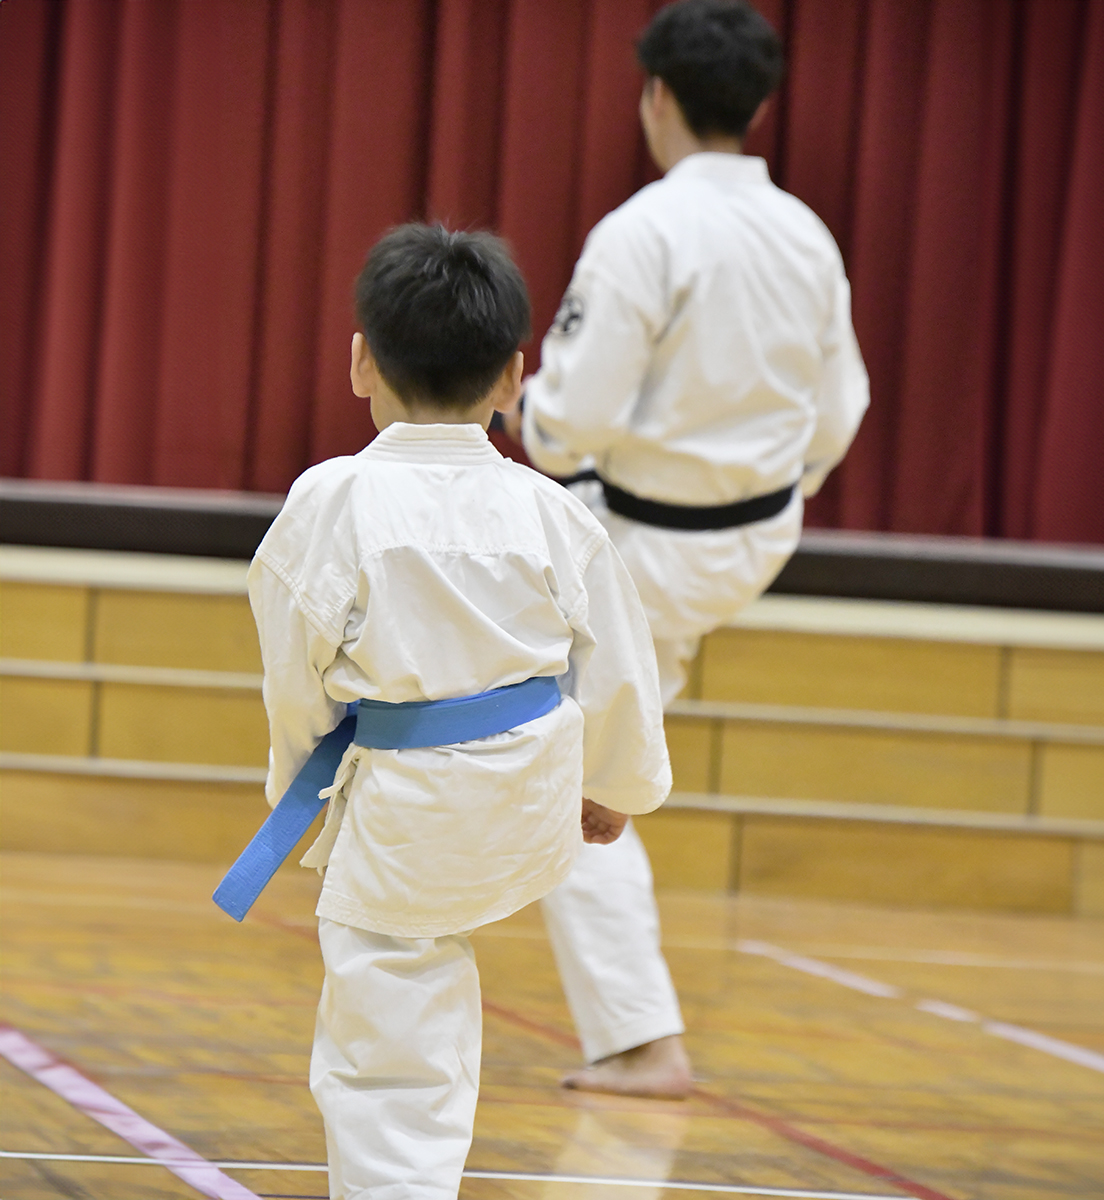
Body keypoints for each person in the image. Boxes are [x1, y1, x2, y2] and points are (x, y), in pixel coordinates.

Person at [247, 224, 672, 1199]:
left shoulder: (331, 500)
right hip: (527, 802)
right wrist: (613, 790)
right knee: (437, 954)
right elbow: (615, 667)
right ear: (515, 377)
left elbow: (294, 678)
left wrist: (301, 793)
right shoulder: (555, 513)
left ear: (360, 360)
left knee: (392, 1023)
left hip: (403, 810)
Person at [509, 0, 870, 1098]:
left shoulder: (642, 233)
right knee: (590, 737)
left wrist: (530, 416)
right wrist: (761, 490)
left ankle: (639, 1040)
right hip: (753, 539)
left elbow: (568, 423)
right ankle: (632, 1031)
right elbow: (840, 408)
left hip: (640, 554)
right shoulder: (807, 231)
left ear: (655, 95)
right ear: (758, 106)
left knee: (569, 769)